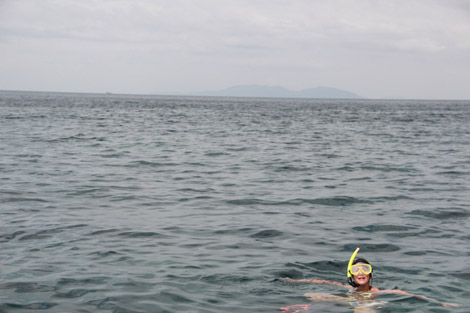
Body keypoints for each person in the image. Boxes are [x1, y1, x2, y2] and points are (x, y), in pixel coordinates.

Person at [283, 248, 458, 310]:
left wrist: (439, 303)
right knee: (312, 294)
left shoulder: (377, 291)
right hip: (349, 302)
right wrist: (295, 281)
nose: (360, 272)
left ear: (371, 275)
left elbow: (406, 293)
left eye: (364, 269)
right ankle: (304, 308)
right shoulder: (349, 288)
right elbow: (321, 281)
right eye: (356, 269)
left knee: (364, 309)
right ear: (351, 275)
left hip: (368, 307)